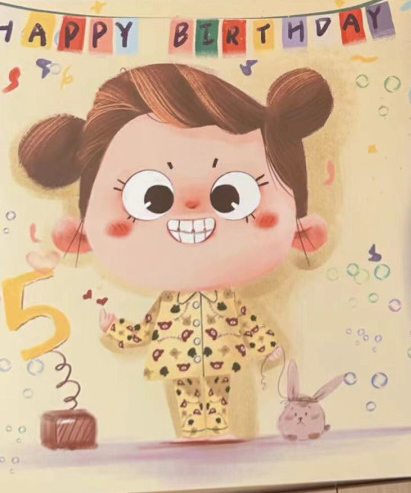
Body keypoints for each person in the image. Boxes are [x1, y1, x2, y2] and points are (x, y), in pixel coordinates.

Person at [18, 63, 333, 438]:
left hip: (220, 357)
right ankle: (195, 432)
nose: (192, 204)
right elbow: (145, 329)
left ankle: (215, 430)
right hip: (176, 359)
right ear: (79, 234)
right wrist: (115, 329)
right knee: (189, 400)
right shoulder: (170, 304)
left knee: (217, 397)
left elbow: (247, 323)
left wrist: (268, 347)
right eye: (150, 198)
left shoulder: (224, 301)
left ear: (304, 231)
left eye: (232, 196)